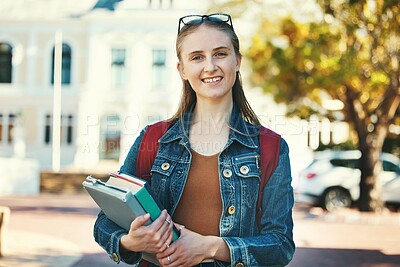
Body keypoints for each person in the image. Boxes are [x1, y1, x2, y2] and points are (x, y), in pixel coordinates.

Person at [94, 13, 295, 267]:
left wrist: (210, 247)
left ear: (237, 61)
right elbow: (105, 222)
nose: (210, 66)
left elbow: (281, 245)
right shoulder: (153, 139)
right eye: (197, 57)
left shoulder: (271, 148)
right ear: (183, 70)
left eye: (220, 54)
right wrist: (129, 242)